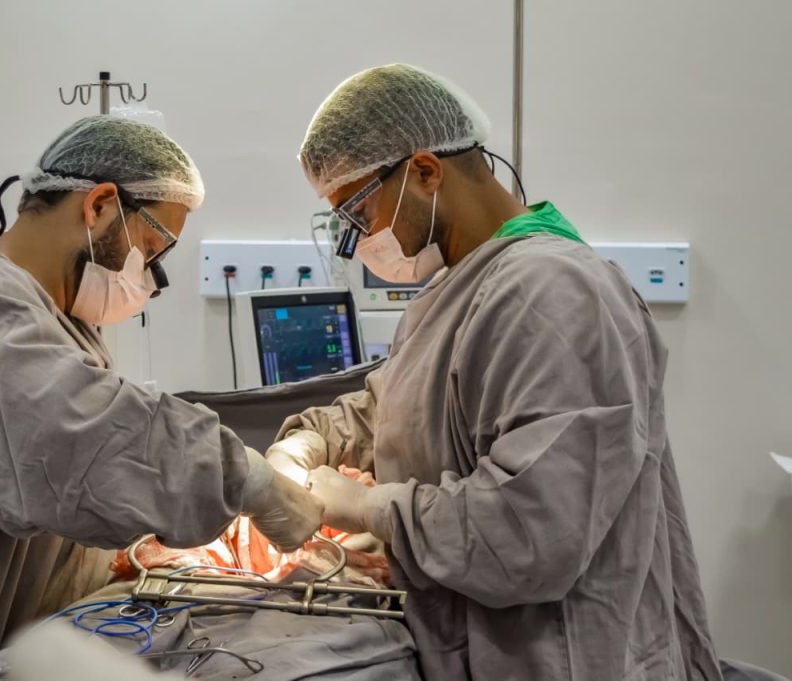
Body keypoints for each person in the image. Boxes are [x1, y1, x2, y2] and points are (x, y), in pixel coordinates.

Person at [0, 116, 322, 681]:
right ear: (99, 206)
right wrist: (249, 480)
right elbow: (80, 439)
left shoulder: (50, 317)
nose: (151, 277)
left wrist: (131, 552)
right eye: (151, 248)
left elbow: (61, 492)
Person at [268, 64, 723, 681]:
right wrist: (311, 439)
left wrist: (369, 508)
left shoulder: (553, 290)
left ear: (425, 172)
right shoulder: (462, 287)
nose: (357, 240)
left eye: (359, 211)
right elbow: (400, 405)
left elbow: (530, 533)